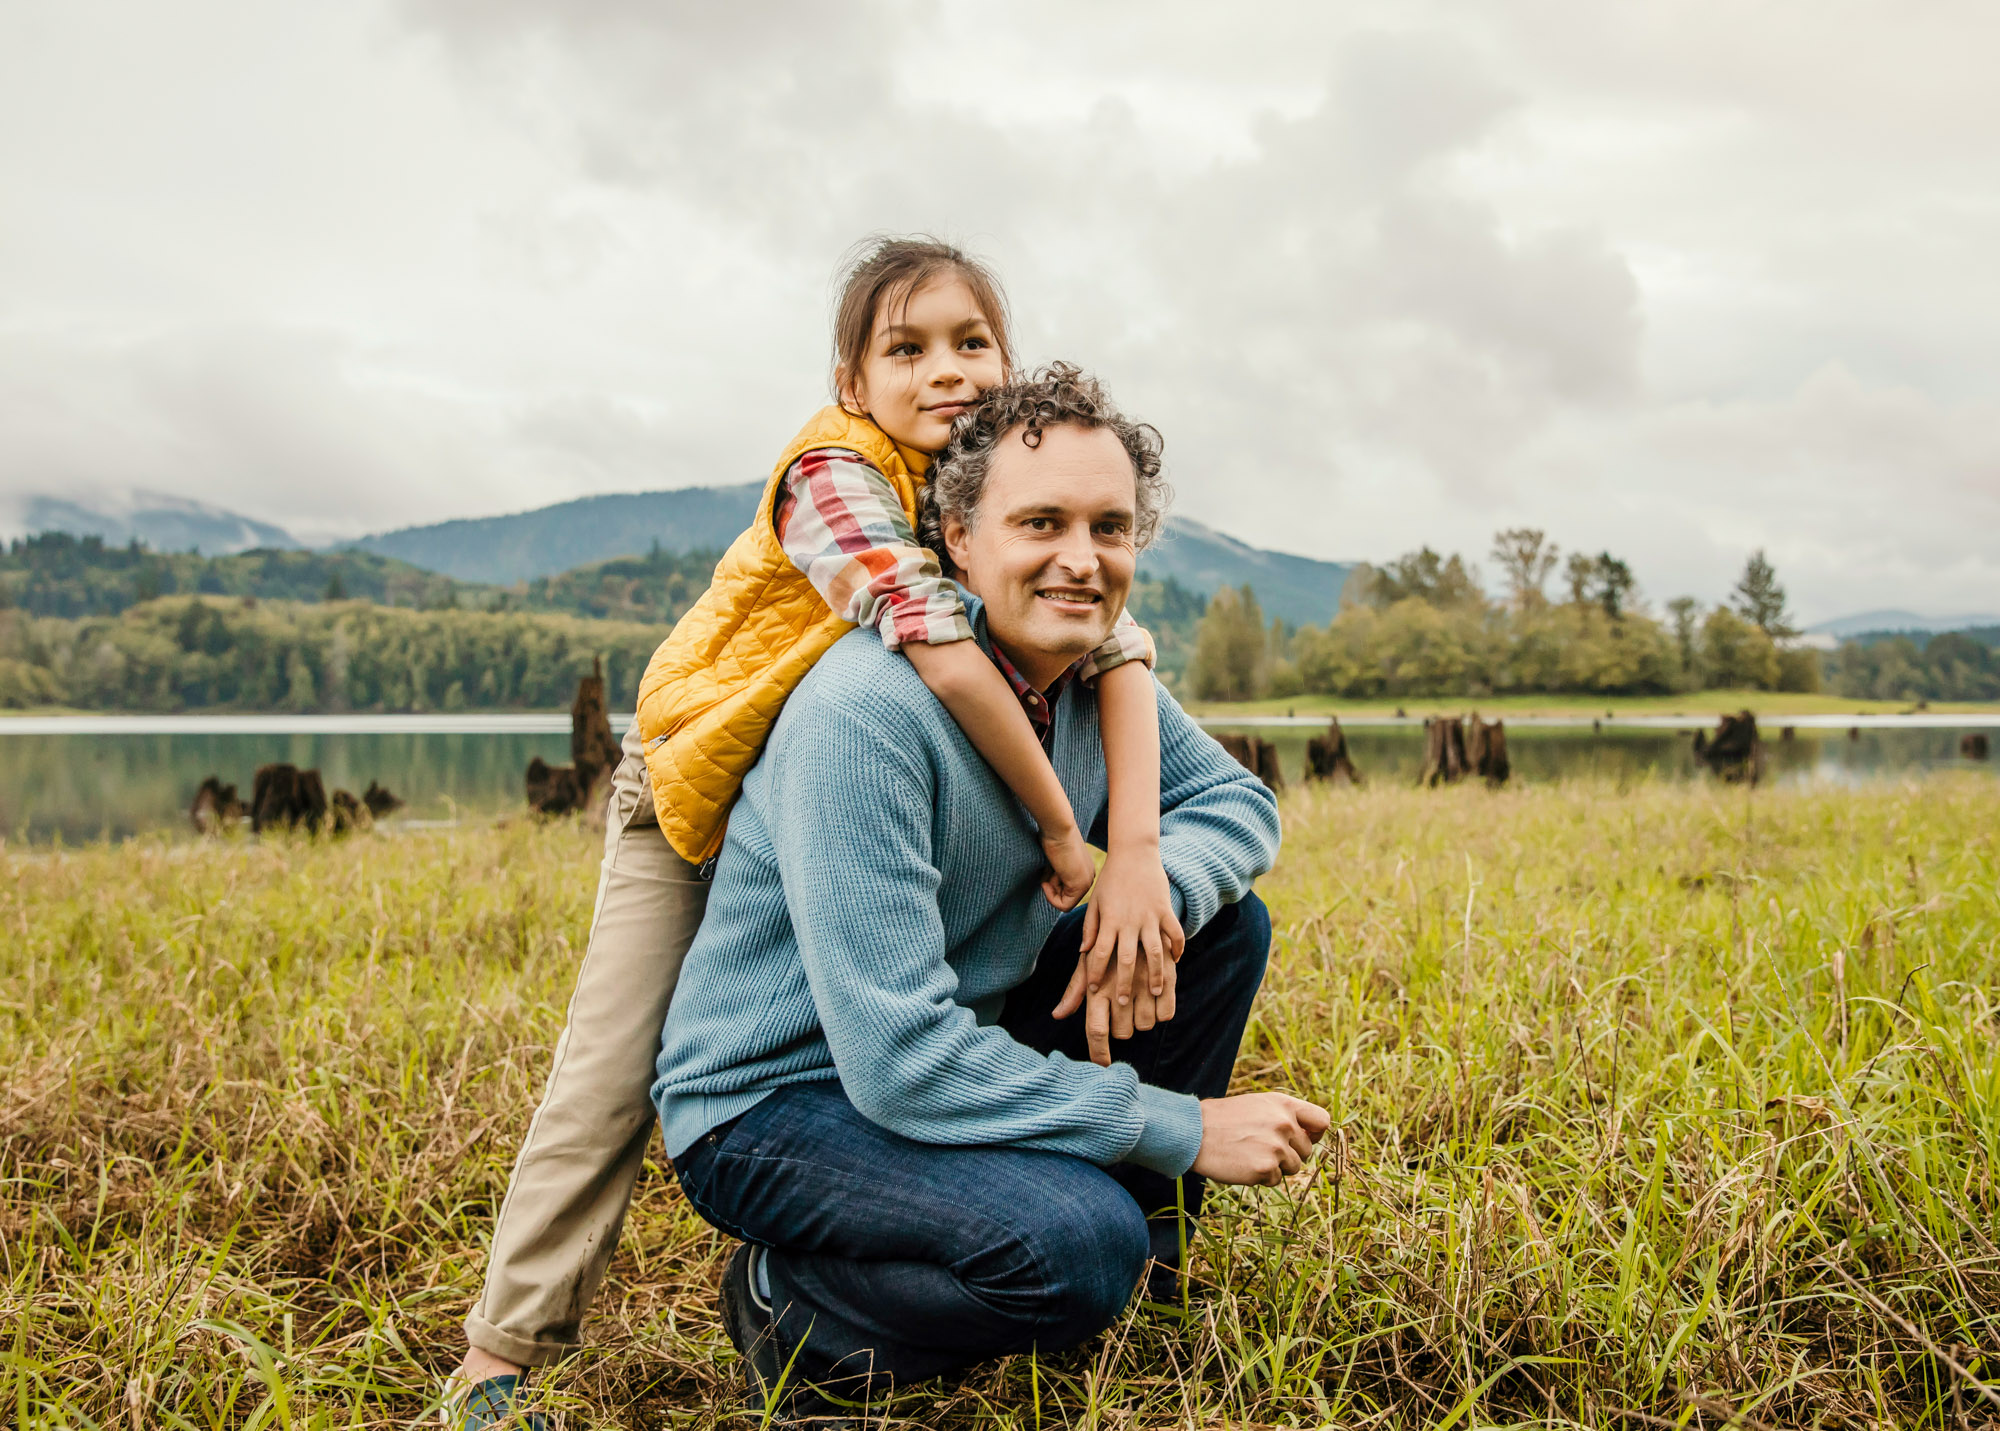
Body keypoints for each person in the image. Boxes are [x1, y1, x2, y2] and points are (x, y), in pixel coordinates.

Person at [447, 241, 1183, 1427]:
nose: (945, 371)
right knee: (609, 1070)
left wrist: (1139, 852)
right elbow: (940, 650)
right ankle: (497, 1362)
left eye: (970, 341)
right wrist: (1063, 832)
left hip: (812, 769)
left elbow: (1119, 644)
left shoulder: (994, 480)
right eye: (906, 348)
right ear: (850, 378)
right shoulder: (833, 472)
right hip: (692, 775)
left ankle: (930, 1221)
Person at [656, 365, 1329, 1422]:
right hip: (779, 1104)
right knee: (1070, 1247)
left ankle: (1147, 1265)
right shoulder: (868, 715)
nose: (1080, 558)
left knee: (1221, 928)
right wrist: (1182, 1128)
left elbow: (1240, 806)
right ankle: (797, 1304)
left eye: (1109, 528)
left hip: (939, 1041)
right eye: (1041, 522)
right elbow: (901, 1064)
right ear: (959, 540)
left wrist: (1147, 872)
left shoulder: (1093, 685)